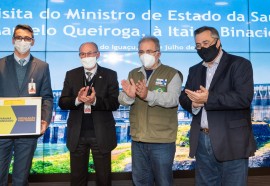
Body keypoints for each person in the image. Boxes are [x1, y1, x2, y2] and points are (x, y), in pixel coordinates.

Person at [179, 26, 257, 186]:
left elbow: (243, 98)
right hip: (202, 141)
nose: (202, 48)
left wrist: (209, 98)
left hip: (231, 141)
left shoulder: (239, 64)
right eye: (198, 45)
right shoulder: (194, 70)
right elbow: (183, 97)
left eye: (206, 43)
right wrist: (193, 103)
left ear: (218, 42)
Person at [118, 36, 182, 186]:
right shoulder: (134, 73)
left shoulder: (172, 74)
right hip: (138, 140)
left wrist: (148, 95)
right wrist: (129, 95)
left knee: (163, 182)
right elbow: (122, 99)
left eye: (148, 51)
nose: (144, 55)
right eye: (141, 51)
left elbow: (173, 99)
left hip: (162, 141)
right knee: (140, 182)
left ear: (158, 53)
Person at [58, 42, 119, 186]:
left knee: (104, 179)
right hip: (77, 135)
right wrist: (78, 99)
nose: (86, 57)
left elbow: (114, 103)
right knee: (77, 178)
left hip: (101, 134)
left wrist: (95, 101)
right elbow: (62, 102)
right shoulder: (71, 74)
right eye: (83, 54)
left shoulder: (110, 74)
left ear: (98, 54)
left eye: (90, 53)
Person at [0, 24, 53, 185]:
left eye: (27, 38)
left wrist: (45, 120)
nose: (22, 41)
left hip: (28, 129)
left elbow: (47, 97)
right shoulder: (0, 64)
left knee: (20, 178)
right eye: (19, 37)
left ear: (33, 42)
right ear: (13, 40)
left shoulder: (42, 67)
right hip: (2, 130)